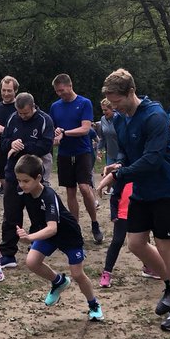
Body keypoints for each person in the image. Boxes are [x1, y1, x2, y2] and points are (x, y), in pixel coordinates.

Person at [97, 69, 170, 331]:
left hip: (167, 191)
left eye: (116, 101)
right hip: (142, 191)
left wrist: (118, 176)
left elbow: (151, 159)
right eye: (110, 103)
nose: (113, 107)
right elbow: (127, 153)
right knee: (136, 244)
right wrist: (117, 165)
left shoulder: (155, 116)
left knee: (165, 247)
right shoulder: (121, 119)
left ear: (130, 92)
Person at [16, 154, 103, 322]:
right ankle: (58, 281)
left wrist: (29, 238)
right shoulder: (24, 192)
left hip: (67, 235)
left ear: (38, 178)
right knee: (32, 261)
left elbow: (52, 228)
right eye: (19, 180)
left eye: (25, 181)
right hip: (47, 233)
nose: (21, 184)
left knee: (77, 274)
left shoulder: (49, 196)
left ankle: (93, 304)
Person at [0, 92, 56, 269]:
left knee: (37, 213)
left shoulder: (45, 120)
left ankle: (37, 247)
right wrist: (10, 144)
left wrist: (22, 147)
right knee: (11, 214)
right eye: (20, 113)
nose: (23, 116)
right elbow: (3, 141)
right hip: (13, 174)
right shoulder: (12, 118)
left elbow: (46, 145)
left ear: (33, 107)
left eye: (26, 113)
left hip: (35, 176)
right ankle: (8, 254)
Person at [50, 74, 102, 244]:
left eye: (62, 90)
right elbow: (54, 129)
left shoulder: (84, 103)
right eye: (57, 91)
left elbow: (85, 129)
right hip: (65, 153)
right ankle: (75, 228)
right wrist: (56, 136)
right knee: (70, 191)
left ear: (69, 86)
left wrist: (65, 133)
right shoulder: (55, 107)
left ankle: (94, 223)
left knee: (85, 188)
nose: (60, 94)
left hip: (82, 151)